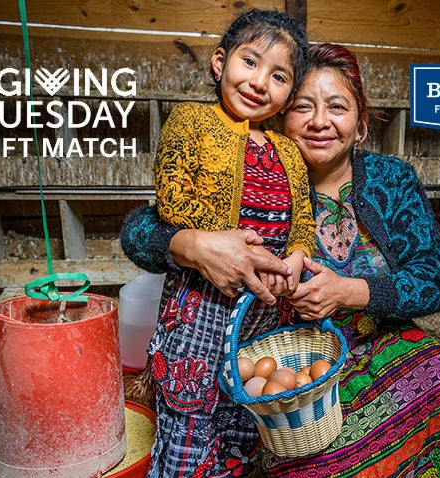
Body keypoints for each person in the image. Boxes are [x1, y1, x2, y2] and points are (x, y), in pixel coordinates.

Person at [122, 43, 440, 477]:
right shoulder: (259, 177)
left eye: (337, 107)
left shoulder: (392, 179)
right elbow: (138, 231)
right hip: (294, 361)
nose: (320, 122)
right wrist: (195, 246)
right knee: (317, 456)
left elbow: (433, 281)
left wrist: (346, 291)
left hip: (378, 341)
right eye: (303, 107)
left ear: (361, 124)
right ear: (279, 116)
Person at [140, 9, 313, 477]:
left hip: (266, 309)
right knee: (190, 417)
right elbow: (173, 199)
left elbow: (303, 219)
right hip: (201, 302)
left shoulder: (288, 152)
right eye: (249, 61)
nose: (259, 82)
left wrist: (298, 254)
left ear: (287, 96)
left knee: (244, 418)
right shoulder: (191, 123)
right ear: (220, 63)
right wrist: (227, 247)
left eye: (278, 76)